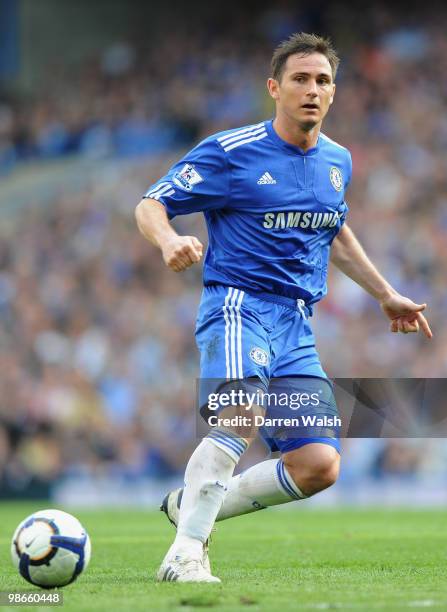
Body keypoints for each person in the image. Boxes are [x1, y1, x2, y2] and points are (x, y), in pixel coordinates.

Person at [135, 32, 432, 583]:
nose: (312, 90)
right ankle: (184, 556)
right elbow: (152, 203)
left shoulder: (337, 160)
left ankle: (193, 508)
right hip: (237, 306)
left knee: (319, 466)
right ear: (274, 88)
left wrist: (385, 293)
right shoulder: (232, 152)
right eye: (300, 79)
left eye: (322, 80)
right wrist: (169, 240)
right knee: (237, 417)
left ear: (334, 92)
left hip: (295, 325)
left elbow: (333, 231)